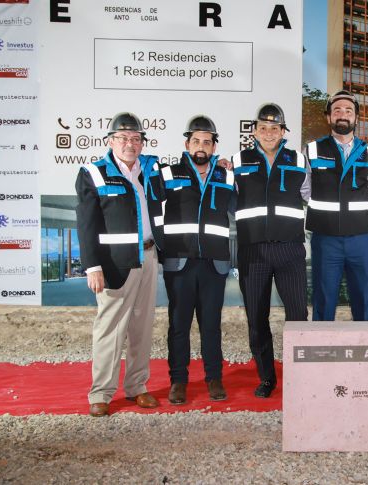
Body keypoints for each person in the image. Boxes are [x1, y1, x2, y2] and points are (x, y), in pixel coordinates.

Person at [75, 112, 162, 417]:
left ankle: (137, 387)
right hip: (114, 264)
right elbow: (86, 224)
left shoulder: (152, 168)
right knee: (110, 329)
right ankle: (101, 393)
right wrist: (92, 267)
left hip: (148, 259)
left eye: (136, 138)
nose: (130, 143)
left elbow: (188, 172)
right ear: (110, 141)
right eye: (123, 138)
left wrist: (220, 164)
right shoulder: (94, 173)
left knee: (141, 328)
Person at [149, 115, 233, 405]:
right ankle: (179, 381)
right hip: (180, 263)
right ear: (187, 144)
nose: (201, 146)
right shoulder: (169, 174)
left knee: (211, 324)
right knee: (179, 324)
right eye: (196, 140)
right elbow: (151, 208)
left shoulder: (226, 176)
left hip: (214, 263)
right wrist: (162, 247)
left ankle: (214, 378)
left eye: (207, 142)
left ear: (213, 147)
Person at [231, 102, 310, 398]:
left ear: (283, 131)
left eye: (274, 128)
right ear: (254, 131)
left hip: (290, 250)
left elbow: (310, 195)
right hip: (253, 253)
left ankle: (300, 376)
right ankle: (267, 378)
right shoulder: (237, 161)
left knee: (298, 316)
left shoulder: (298, 161)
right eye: (262, 128)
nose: (268, 133)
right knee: (256, 317)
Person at [305, 90, 368, 322]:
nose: (342, 115)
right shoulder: (312, 150)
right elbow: (304, 188)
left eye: (348, 111)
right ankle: (321, 353)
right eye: (337, 110)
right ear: (329, 117)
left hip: (362, 239)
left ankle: (363, 354)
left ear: (356, 118)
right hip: (326, 239)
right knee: (324, 301)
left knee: (364, 300)